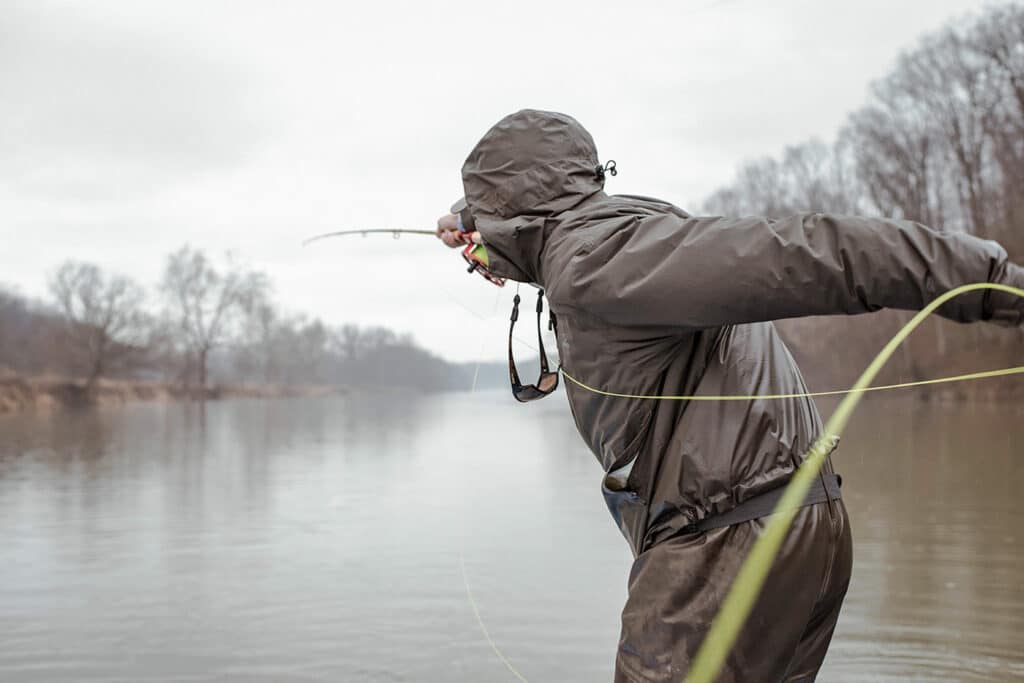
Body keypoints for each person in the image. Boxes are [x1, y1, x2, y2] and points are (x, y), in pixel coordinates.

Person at [436, 109, 1024, 682]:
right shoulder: (620, 234)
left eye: (487, 214)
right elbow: (535, 219)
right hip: (796, 528)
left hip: (724, 549)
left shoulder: (597, 261)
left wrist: (997, 285)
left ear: (513, 217)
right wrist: (472, 223)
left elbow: (809, 253)